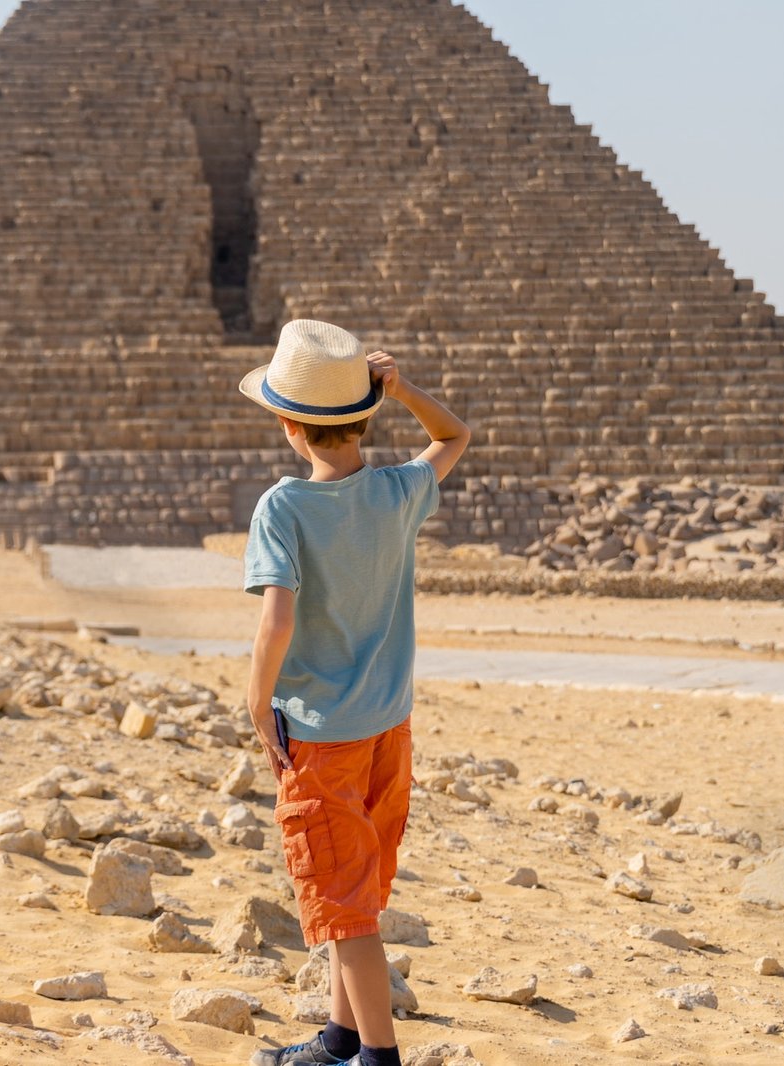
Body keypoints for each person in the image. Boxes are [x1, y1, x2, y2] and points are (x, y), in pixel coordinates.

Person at [238, 320, 470, 1066]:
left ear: (286, 425)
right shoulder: (400, 492)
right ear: (363, 416)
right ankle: (338, 1039)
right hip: (388, 729)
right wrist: (403, 391)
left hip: (322, 731)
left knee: (343, 906)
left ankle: (377, 1057)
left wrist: (254, 699)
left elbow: (276, 621)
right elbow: (454, 436)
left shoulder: (284, 507)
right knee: (358, 891)